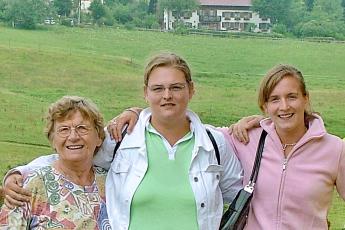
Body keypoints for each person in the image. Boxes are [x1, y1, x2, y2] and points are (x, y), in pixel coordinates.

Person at [2, 53, 243, 230]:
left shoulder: (215, 143)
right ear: (145, 93)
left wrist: (260, 124)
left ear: (191, 90)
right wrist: (20, 173)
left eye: (176, 87)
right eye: (158, 88)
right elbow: (75, 154)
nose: (167, 96)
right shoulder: (122, 138)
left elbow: (242, 199)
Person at [98, 64, 345, 229]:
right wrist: (135, 113)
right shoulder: (245, 139)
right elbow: (177, 123)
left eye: (291, 97)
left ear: (306, 98)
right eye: (274, 100)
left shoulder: (334, 150)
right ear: (264, 106)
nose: (284, 107)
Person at [0, 96, 110, 229]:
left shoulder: (112, 182)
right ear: (53, 140)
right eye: (64, 129)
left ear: (99, 137)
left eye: (82, 128)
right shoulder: (30, 186)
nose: (73, 137)